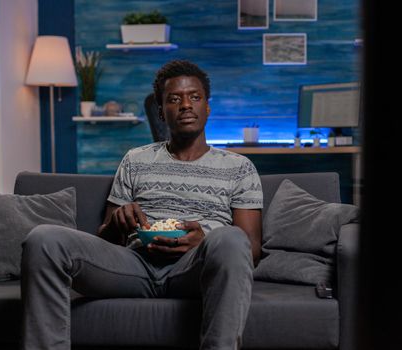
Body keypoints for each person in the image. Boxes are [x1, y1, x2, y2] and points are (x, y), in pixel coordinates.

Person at [21, 60, 263, 350]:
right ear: (161, 111)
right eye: (174, 99)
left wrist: (205, 241)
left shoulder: (239, 167)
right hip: (134, 266)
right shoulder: (135, 159)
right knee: (43, 239)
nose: (186, 105)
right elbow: (106, 236)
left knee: (232, 237)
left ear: (207, 107)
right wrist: (118, 220)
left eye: (195, 97)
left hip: (194, 269)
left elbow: (251, 249)